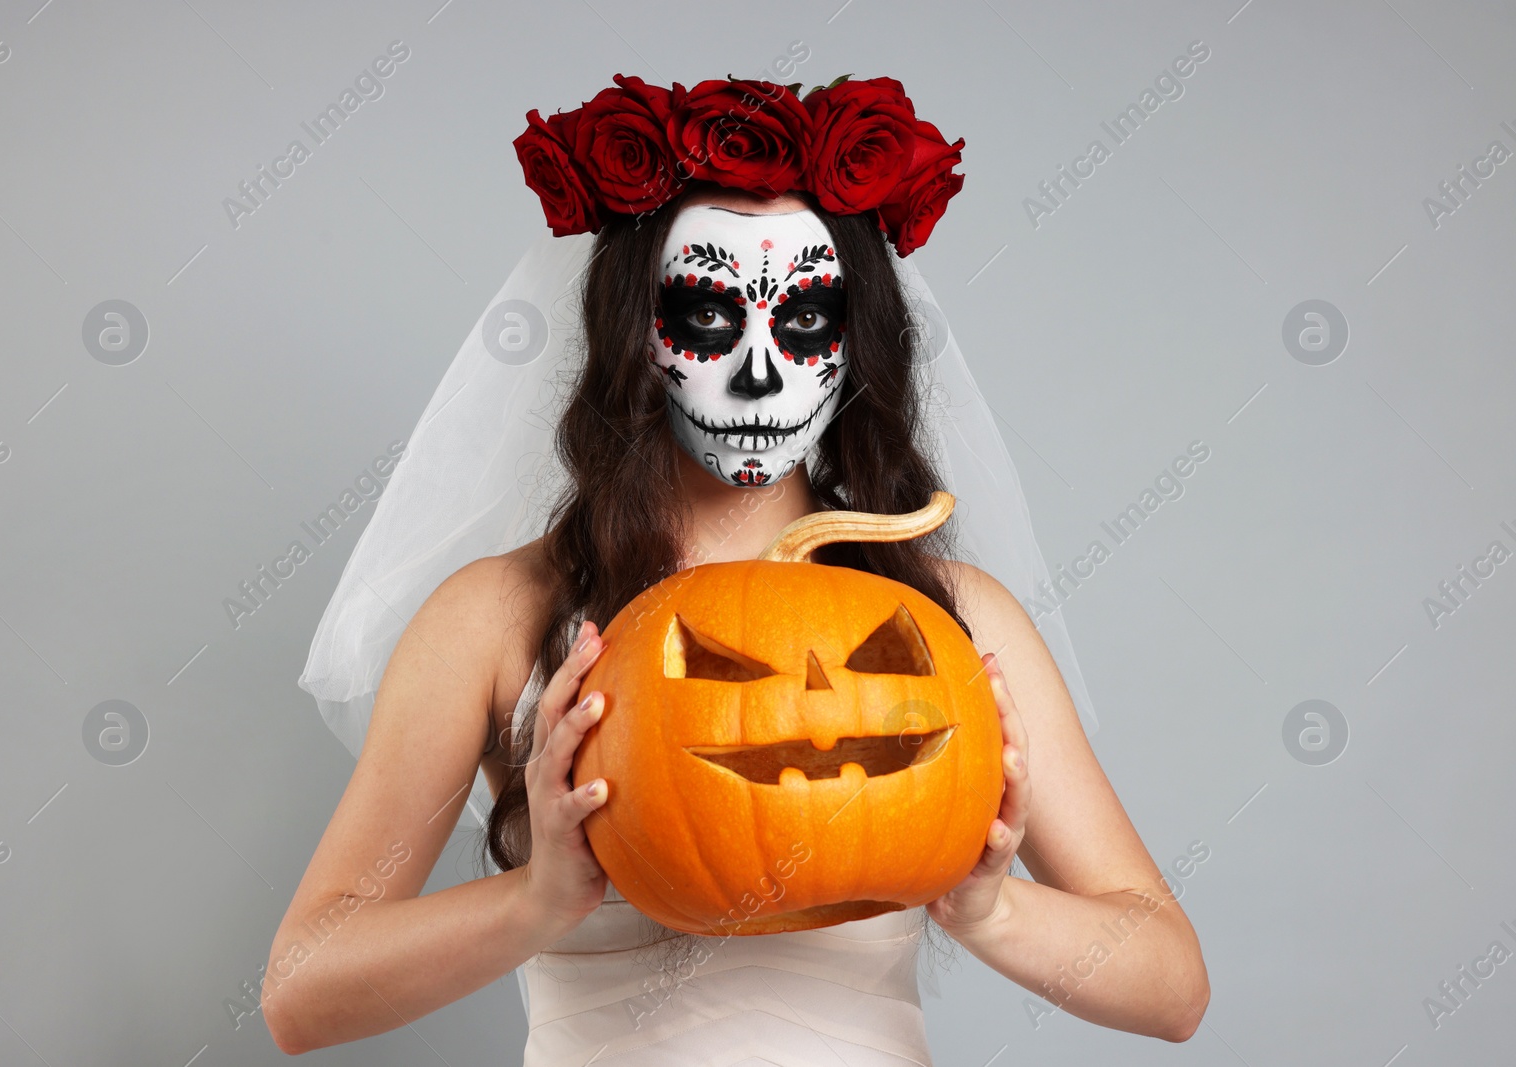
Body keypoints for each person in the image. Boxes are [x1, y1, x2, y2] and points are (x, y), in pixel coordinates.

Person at [266, 75, 1209, 1062]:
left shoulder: (943, 617)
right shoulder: (500, 616)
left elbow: (1172, 987)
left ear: (854, 345)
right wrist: (537, 896)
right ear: (633, 333)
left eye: (802, 322)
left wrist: (990, 909)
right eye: (709, 319)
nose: (758, 373)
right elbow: (300, 994)